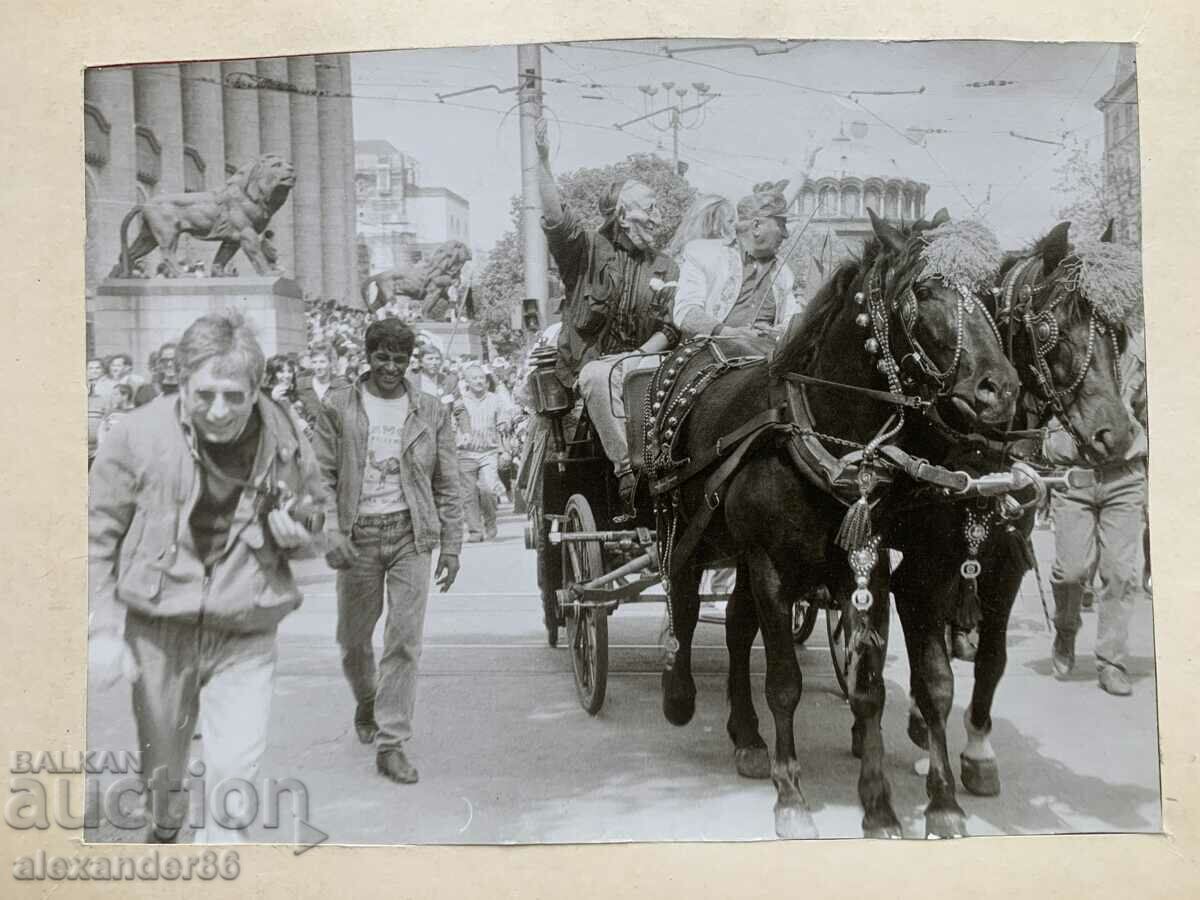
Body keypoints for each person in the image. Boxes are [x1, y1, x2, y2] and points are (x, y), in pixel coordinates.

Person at [88, 311, 325, 842]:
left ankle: (220, 851)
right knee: (164, 778)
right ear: (182, 382)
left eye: (234, 396)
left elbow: (316, 511)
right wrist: (103, 626)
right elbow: (96, 532)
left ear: (255, 388)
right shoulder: (135, 435)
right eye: (205, 394)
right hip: (158, 627)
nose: (219, 411)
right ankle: (166, 823)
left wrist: (301, 534)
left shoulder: (285, 437)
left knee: (235, 770)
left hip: (246, 622)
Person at [313, 317, 463, 785]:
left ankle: (391, 742)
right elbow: (320, 476)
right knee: (353, 640)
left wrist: (452, 545)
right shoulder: (338, 406)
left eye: (400, 359)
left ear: (410, 360)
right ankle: (367, 699)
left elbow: (448, 482)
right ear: (368, 355)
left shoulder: (432, 411)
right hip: (357, 539)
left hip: (409, 538)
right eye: (382, 357)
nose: (391, 367)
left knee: (403, 642)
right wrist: (332, 531)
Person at [535, 118, 680, 510]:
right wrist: (542, 163)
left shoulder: (665, 265)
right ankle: (627, 473)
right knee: (598, 377)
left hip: (646, 360)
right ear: (622, 214)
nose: (656, 217)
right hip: (595, 366)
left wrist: (640, 355)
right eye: (649, 209)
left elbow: (670, 323)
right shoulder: (586, 252)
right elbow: (557, 221)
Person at [1048, 327, 1149, 696]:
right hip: (1076, 475)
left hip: (1124, 473)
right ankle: (1065, 630)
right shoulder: (1071, 341)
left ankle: (1112, 661)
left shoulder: (1141, 348)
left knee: (1120, 572)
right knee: (1072, 570)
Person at [672, 185, 798, 342]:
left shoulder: (783, 271)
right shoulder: (703, 254)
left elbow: (792, 318)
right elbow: (685, 312)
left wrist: (777, 332)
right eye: (781, 224)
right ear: (756, 226)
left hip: (766, 357)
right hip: (713, 357)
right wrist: (727, 332)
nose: (786, 234)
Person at [454, 363, 510, 542]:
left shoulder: (495, 399)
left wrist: (504, 424)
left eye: (481, 378)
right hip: (466, 453)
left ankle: (491, 524)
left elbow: (503, 420)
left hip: (489, 452)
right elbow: (451, 424)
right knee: (468, 494)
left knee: (487, 489)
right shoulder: (460, 402)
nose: (479, 381)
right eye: (474, 378)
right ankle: (474, 531)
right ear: (467, 382)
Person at [134, 341, 180, 406]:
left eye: (174, 359)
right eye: (165, 360)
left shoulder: (188, 389)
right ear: (159, 363)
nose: (169, 364)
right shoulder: (146, 391)